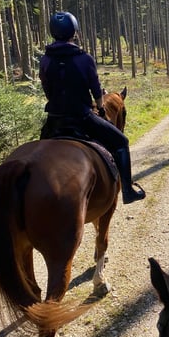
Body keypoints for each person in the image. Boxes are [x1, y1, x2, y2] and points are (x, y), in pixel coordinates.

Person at [39, 11, 146, 204]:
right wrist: (100, 106)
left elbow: (47, 89)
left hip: (54, 120)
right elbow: (96, 89)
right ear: (74, 32)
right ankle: (128, 191)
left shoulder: (45, 59)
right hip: (82, 117)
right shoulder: (84, 58)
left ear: (53, 32)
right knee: (121, 142)